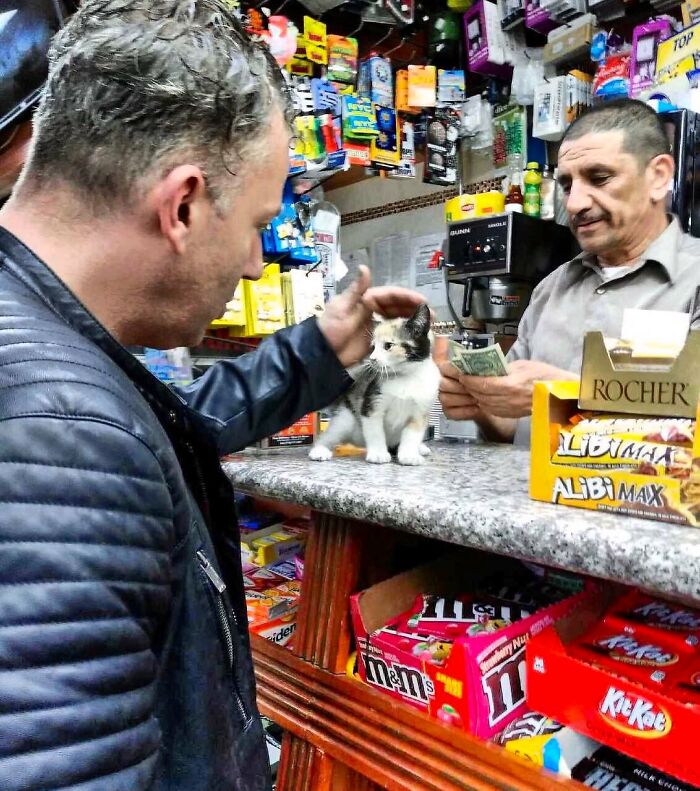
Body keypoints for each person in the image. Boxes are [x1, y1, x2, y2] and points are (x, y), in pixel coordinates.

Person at [0, 3, 426, 790]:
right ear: (184, 204)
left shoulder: (42, 342)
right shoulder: (62, 429)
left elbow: (171, 424)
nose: (261, 263)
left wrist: (318, 352)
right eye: (261, 222)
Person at [440, 99, 700, 445]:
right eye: (566, 185)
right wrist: (482, 404)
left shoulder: (692, 281)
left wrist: (562, 393)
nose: (575, 203)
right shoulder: (550, 290)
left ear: (658, 176)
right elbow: (514, 427)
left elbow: (688, 436)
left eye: (599, 177)